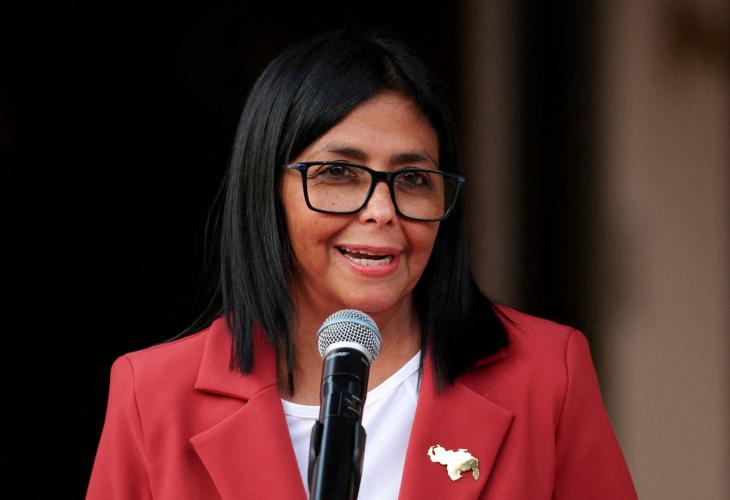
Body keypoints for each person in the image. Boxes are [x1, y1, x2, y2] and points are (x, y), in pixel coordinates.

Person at [87, 30, 637, 499]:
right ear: (267, 191)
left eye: (413, 179)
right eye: (338, 173)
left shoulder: (546, 374)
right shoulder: (153, 396)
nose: (381, 211)